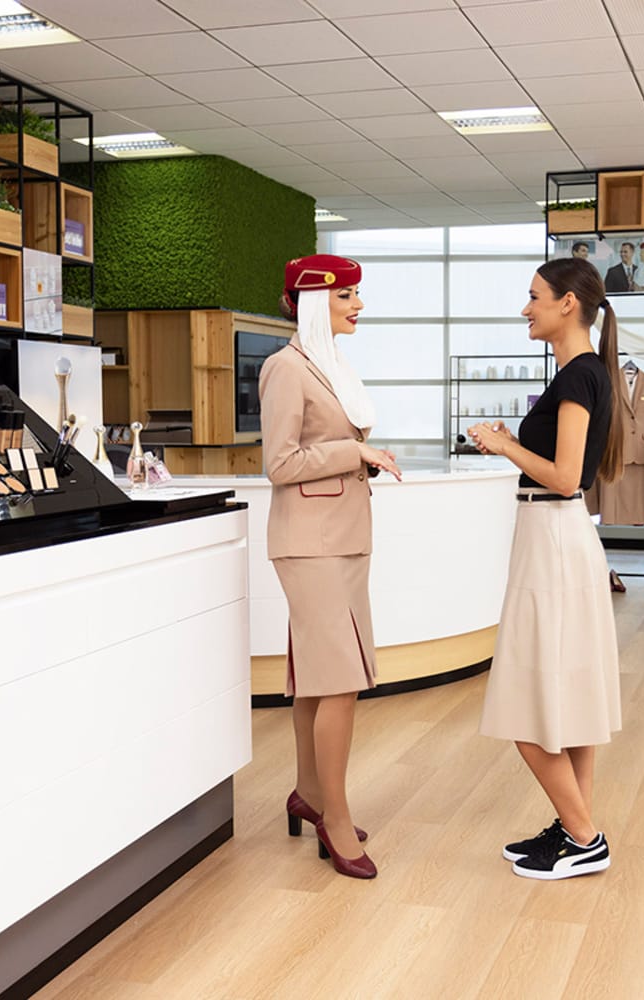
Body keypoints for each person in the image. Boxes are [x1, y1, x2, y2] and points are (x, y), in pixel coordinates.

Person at [467, 257, 625, 881]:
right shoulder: (583, 373)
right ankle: (573, 826)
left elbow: (563, 478)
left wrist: (505, 444)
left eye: (533, 296)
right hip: (558, 541)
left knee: (525, 702)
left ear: (567, 304)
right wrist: (516, 443)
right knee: (570, 697)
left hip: (553, 544)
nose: (524, 307)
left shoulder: (577, 376)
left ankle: (584, 836)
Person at [260, 253, 401, 880]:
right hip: (310, 545)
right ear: (317, 300)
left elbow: (318, 454)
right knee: (340, 681)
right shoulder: (285, 369)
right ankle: (334, 819)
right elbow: (281, 463)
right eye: (348, 296)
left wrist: (357, 458)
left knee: (319, 678)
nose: (359, 306)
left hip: (338, 540)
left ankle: (310, 794)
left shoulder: (328, 365)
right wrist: (356, 451)